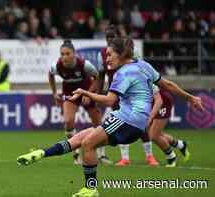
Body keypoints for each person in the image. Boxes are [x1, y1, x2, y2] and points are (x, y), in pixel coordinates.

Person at [17, 37, 204, 197]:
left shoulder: (121, 74)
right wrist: (191, 98)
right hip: (131, 122)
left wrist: (85, 92)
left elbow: (109, 100)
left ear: (121, 54)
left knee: (88, 144)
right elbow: (168, 85)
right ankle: (41, 153)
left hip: (127, 120)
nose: (107, 58)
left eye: (109, 54)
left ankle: (90, 189)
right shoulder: (143, 65)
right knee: (81, 138)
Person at [97, 25, 158, 167]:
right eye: (107, 38)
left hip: (132, 91)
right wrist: (99, 91)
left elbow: (141, 69)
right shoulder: (103, 54)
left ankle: (150, 156)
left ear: (118, 39)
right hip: (115, 91)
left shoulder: (131, 52)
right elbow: (101, 75)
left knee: (141, 125)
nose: (109, 40)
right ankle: (125, 158)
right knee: (119, 122)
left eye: (112, 37)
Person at [48, 39, 111, 165]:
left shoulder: (84, 64)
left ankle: (101, 155)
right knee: (68, 121)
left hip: (86, 91)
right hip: (70, 94)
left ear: (74, 53)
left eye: (67, 53)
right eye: (62, 54)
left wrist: (90, 93)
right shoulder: (56, 66)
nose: (64, 57)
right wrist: (54, 92)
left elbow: (97, 77)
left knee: (97, 123)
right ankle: (76, 155)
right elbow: (50, 75)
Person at [148, 85, 190, 167]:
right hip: (151, 103)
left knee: (154, 135)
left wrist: (151, 116)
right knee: (155, 133)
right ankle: (180, 144)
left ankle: (171, 157)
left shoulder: (146, 78)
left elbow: (159, 99)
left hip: (162, 103)